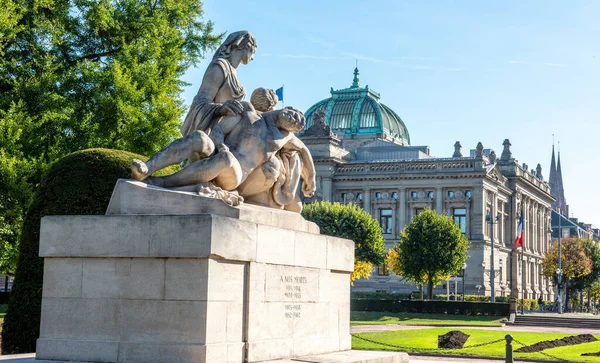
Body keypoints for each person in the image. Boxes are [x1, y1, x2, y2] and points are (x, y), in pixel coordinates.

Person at [131, 106, 316, 200]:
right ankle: (148, 167)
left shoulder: (285, 137)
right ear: (287, 108)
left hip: (235, 175)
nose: (293, 119)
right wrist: (220, 144)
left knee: (226, 159)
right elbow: (219, 129)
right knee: (199, 137)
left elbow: (305, 151)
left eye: (296, 123)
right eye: (294, 114)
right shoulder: (250, 114)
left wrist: (311, 178)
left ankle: (163, 182)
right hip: (220, 151)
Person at [180, 31, 257, 137]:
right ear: (246, 46)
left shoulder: (235, 76)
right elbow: (199, 104)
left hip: (230, 133)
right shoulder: (219, 67)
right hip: (211, 132)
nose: (253, 58)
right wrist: (219, 109)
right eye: (253, 52)